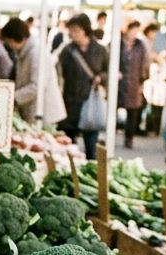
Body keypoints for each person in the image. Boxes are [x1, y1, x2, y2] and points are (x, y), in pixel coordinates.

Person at [57, 14, 107, 159]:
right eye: (71, 30)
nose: (73, 34)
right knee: (69, 148)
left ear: (85, 30)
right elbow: (59, 72)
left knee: (91, 146)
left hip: (90, 101)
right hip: (70, 102)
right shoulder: (67, 50)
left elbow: (109, 71)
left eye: (76, 30)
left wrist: (101, 78)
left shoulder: (100, 50)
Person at [119, 20, 150, 148]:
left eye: (136, 30)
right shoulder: (117, 43)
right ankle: (107, 135)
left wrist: (143, 79)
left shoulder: (140, 45)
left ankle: (129, 138)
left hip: (134, 82)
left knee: (133, 112)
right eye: (132, 29)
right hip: (119, 82)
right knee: (113, 108)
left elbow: (145, 62)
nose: (134, 33)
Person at [2, 18, 37, 120]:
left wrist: (12, 97)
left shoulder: (35, 53)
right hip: (30, 108)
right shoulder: (24, 51)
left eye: (10, 41)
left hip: (42, 112)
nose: (10, 45)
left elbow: (36, 86)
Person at [142, 22, 164, 134]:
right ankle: (148, 125)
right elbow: (149, 56)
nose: (155, 34)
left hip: (147, 75)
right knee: (146, 101)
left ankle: (148, 125)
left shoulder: (148, 42)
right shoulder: (144, 42)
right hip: (145, 75)